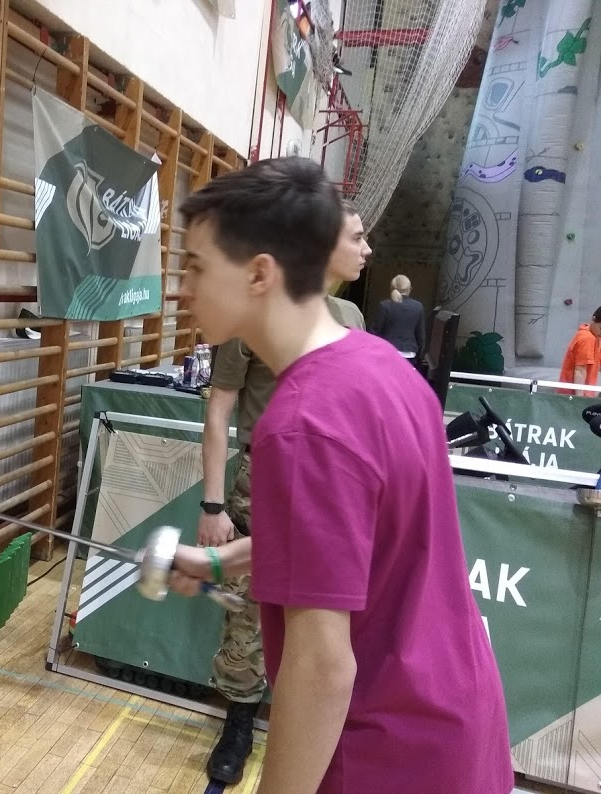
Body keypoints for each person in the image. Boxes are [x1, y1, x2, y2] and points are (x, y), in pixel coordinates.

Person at [171, 157, 513, 794]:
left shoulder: (301, 425)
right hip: (455, 723)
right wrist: (223, 561)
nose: (183, 289)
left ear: (259, 274)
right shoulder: (381, 367)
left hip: (386, 753)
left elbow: (322, 667)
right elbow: (351, 542)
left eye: (195, 266)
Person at [199, 200, 372, 785]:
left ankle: (312, 728)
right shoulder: (254, 318)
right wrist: (213, 505)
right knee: (248, 608)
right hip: (264, 481)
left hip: (332, 486)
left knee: (326, 617)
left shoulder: (351, 318)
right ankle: (239, 720)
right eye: (356, 236)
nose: (367, 249)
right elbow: (219, 410)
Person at [370, 274, 425, 362]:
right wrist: (420, 353)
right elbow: (420, 334)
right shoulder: (418, 306)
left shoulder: (384, 305)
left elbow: (375, 331)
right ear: (409, 289)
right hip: (409, 353)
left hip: (387, 351)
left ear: (391, 289)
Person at [557, 306, 601, 396]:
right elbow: (580, 371)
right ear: (593, 319)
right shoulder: (587, 338)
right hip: (573, 396)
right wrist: (579, 399)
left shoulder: (595, 336)